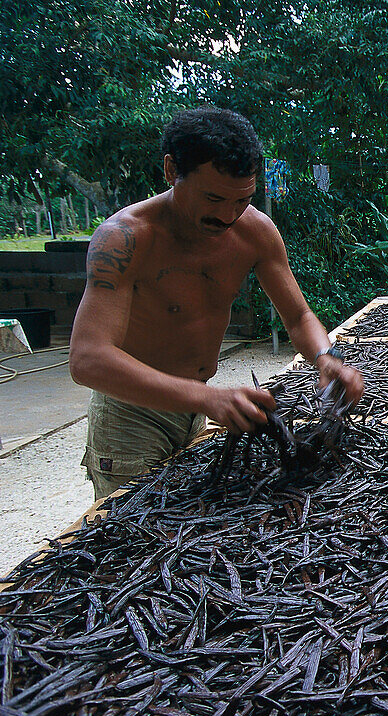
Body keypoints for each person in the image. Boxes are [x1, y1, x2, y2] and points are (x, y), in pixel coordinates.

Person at [69, 108, 364, 499]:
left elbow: (298, 316)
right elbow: (88, 358)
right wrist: (208, 398)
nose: (227, 215)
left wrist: (327, 357)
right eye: (213, 198)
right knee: (137, 539)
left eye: (242, 200)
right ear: (172, 170)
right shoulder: (125, 239)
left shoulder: (255, 231)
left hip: (194, 406)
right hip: (131, 415)